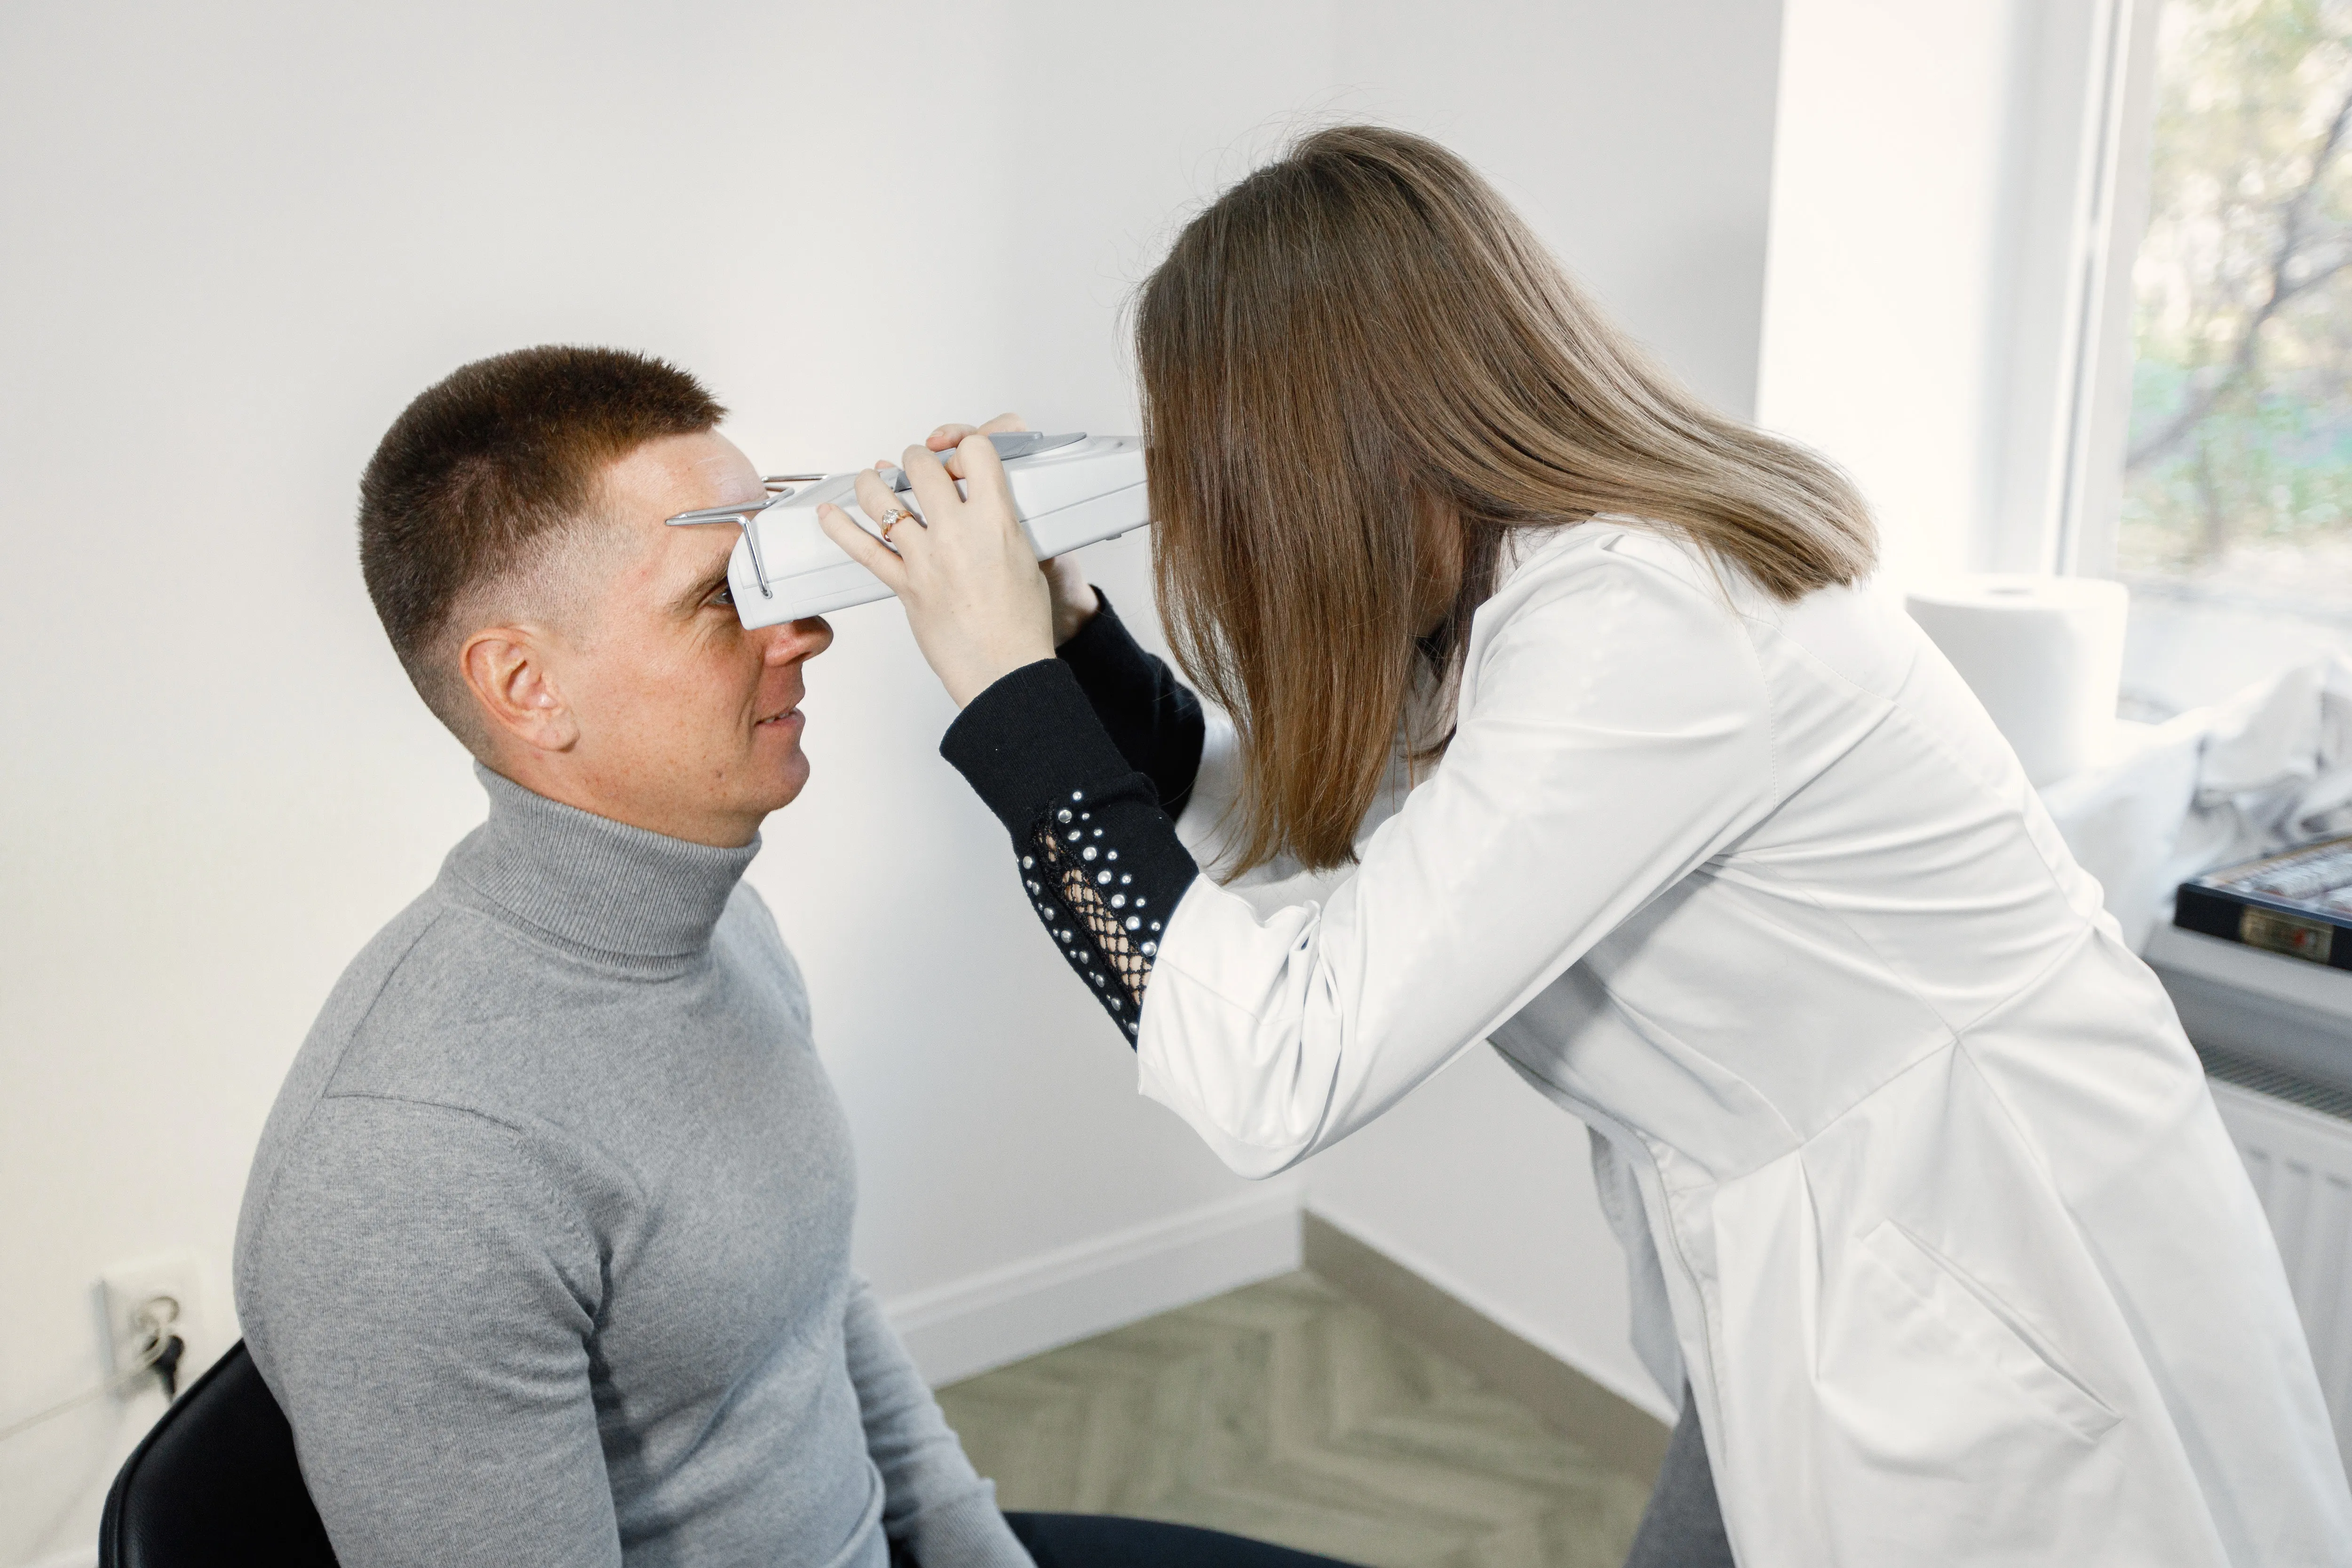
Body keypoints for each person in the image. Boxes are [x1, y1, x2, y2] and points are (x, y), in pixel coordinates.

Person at [818, 127, 2352, 1566]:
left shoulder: (1640, 615)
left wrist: (1009, 692)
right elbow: (1302, 836)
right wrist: (1072, 637)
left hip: (1986, 1260)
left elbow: (1275, 1068)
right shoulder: (1518, 596)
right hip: (1829, 1247)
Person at [234, 347, 1351, 1568]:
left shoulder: (724, 929)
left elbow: (813, 1315)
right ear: (526, 685)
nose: (808, 630)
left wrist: (983, 1552)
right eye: (726, 594)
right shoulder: (413, 1170)